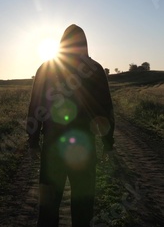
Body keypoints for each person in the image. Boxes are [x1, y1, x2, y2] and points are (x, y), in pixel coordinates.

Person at [26, 24, 115, 227]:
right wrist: (108, 143)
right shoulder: (95, 69)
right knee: (83, 206)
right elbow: (104, 110)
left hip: (52, 148)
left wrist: (32, 141)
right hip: (84, 148)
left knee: (48, 207)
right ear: (84, 44)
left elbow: (35, 106)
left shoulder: (46, 68)